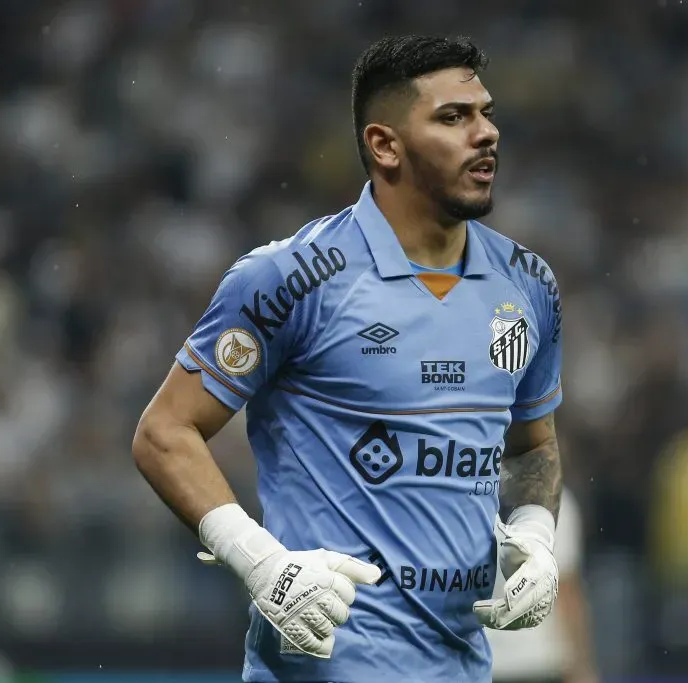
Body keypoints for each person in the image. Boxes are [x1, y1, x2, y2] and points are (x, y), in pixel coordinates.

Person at [132, 35, 565, 683]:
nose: (485, 134)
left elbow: (532, 448)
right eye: (453, 117)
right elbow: (164, 432)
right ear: (384, 145)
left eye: (486, 112)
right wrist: (262, 563)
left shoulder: (527, 285)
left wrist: (535, 535)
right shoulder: (290, 278)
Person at [487, 487, 599, 683]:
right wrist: (582, 667)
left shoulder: (470, 497)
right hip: (538, 660)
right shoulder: (551, 498)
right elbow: (566, 592)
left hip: (483, 662)